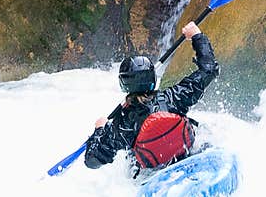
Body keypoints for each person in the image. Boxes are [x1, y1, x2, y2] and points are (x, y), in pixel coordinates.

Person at [84, 21, 219, 176]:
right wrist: (197, 35)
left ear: (124, 84)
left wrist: (99, 129)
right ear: (153, 78)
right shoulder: (173, 98)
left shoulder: (121, 125)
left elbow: (92, 160)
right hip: (189, 155)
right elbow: (209, 69)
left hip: (152, 175)